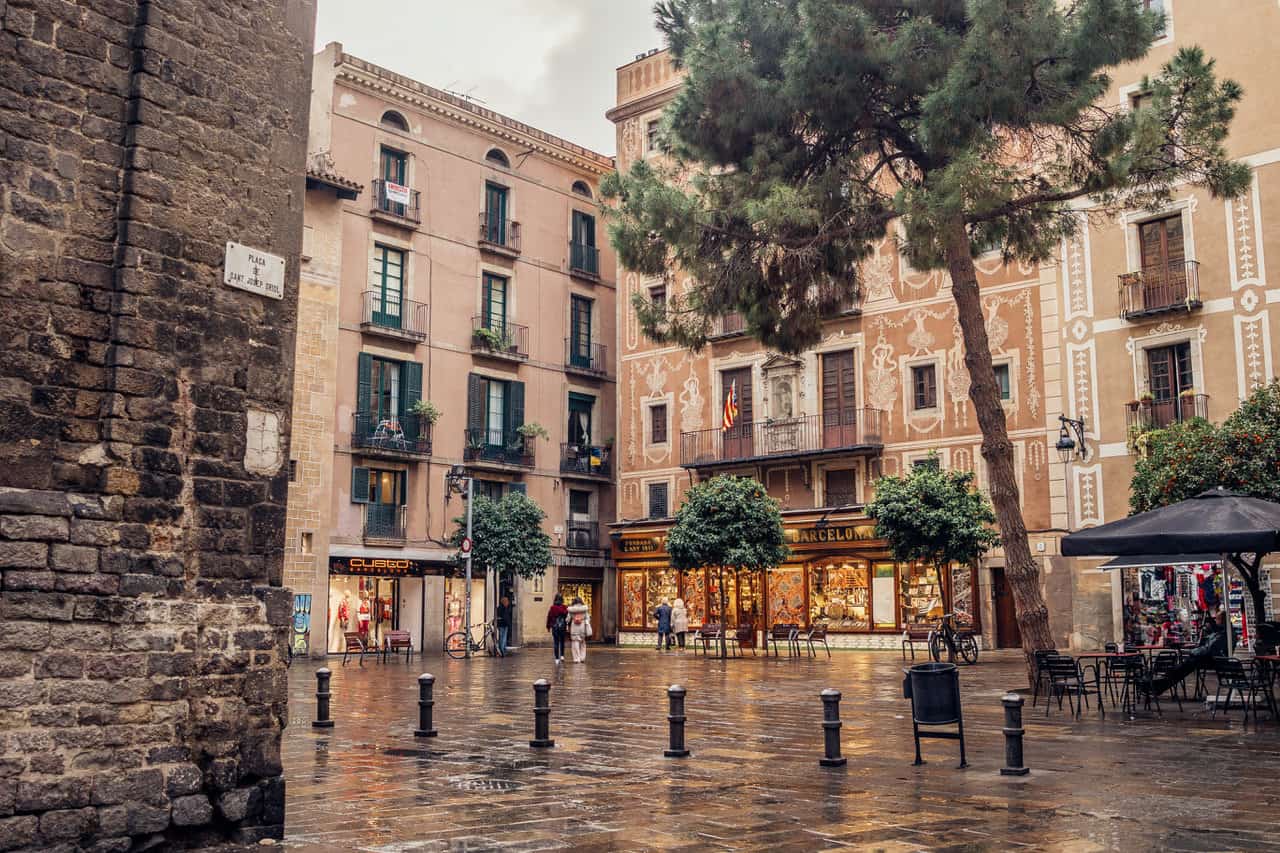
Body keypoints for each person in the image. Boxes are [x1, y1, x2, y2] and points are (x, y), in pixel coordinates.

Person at [546, 594, 569, 664]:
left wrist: (548, 626)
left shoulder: (552, 608)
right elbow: (567, 617)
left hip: (555, 627)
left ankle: (556, 658)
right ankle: (562, 655)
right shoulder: (564, 607)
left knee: (556, 642)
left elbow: (549, 617)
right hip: (562, 627)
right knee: (562, 642)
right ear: (562, 599)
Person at [567, 597, 592, 663]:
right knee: (583, 643)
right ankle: (582, 658)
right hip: (582, 627)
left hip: (574, 628)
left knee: (575, 643)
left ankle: (576, 659)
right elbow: (588, 618)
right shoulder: (584, 609)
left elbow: (568, 619)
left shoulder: (571, 610)